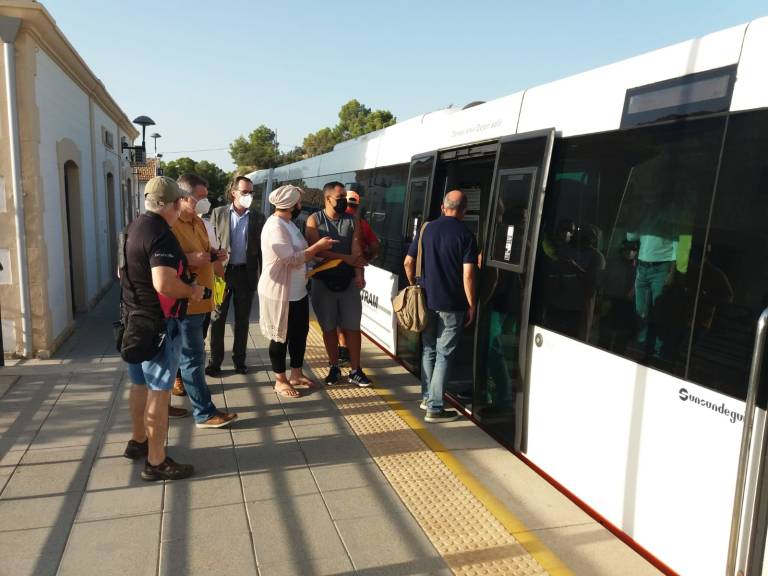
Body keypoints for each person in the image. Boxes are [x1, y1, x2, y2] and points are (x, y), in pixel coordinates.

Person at [121, 176, 201, 481]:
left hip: (134, 319)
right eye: (179, 201)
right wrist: (192, 292)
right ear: (170, 204)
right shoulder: (161, 235)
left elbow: (122, 272)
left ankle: (138, 441)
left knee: (139, 385)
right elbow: (164, 284)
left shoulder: (134, 227)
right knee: (159, 392)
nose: (181, 205)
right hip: (159, 324)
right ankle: (156, 461)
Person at [170, 173, 237, 428]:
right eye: (200, 197)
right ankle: (204, 413)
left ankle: (171, 405)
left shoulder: (198, 222)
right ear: (184, 198)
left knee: (186, 356)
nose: (205, 202)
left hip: (204, 300)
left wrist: (214, 254)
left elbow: (205, 252)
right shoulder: (172, 226)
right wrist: (190, 259)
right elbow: (163, 262)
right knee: (193, 358)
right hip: (187, 302)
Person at [404, 190, 477, 423]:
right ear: (464, 211)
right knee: (445, 354)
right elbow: (468, 275)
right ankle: (435, 407)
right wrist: (472, 304)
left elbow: (408, 262)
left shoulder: (425, 229)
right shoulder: (466, 234)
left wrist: (415, 284)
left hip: (426, 300)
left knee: (429, 350)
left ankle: (427, 396)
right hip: (452, 304)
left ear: (443, 207)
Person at [259, 185, 338, 397]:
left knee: (299, 334)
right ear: (292, 205)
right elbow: (290, 259)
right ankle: (280, 380)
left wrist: (319, 256)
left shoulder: (288, 223)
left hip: (298, 291)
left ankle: (296, 373)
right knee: (280, 337)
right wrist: (317, 248)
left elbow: (302, 252)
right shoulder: (275, 226)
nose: (300, 206)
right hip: (279, 292)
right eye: (299, 203)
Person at [305, 181, 371, 387]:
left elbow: (356, 252)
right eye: (340, 198)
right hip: (322, 282)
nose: (344, 201)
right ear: (327, 199)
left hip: (348, 281)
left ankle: (355, 369)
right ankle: (334, 366)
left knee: (353, 326)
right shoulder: (314, 220)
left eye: (344, 197)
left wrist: (358, 273)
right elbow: (316, 251)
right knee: (328, 328)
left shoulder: (353, 220)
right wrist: (347, 258)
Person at [206, 176, 265, 376]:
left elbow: (262, 250)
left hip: (245, 275)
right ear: (234, 193)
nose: (249, 196)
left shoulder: (258, 217)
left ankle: (240, 361)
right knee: (218, 318)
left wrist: (263, 276)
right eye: (244, 192)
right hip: (222, 274)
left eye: (251, 192)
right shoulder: (218, 213)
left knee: (242, 320)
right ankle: (215, 362)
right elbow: (210, 243)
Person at [337, 189, 380, 364]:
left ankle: (342, 349)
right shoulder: (362, 223)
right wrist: (366, 258)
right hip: (355, 274)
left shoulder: (336, 220)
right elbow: (375, 246)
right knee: (351, 316)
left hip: (335, 273)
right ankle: (351, 356)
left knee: (337, 315)